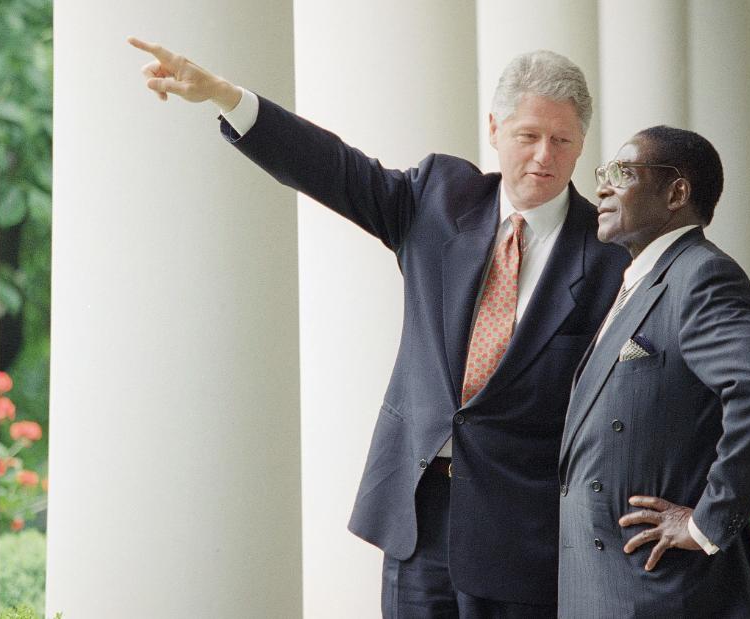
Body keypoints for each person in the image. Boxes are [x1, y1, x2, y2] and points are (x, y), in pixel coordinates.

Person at [129, 38, 628, 618]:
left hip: (525, 530)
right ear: (494, 128)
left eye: (562, 141)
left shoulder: (610, 257)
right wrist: (225, 97)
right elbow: (333, 168)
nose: (544, 156)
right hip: (417, 513)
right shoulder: (440, 197)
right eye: (529, 136)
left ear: (581, 147)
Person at [557, 126, 750, 618]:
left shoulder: (701, 275)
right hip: (607, 585)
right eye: (604, 174)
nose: (602, 187)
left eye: (622, 173)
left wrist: (707, 522)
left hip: (659, 592)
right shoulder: (642, 282)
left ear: (676, 192)